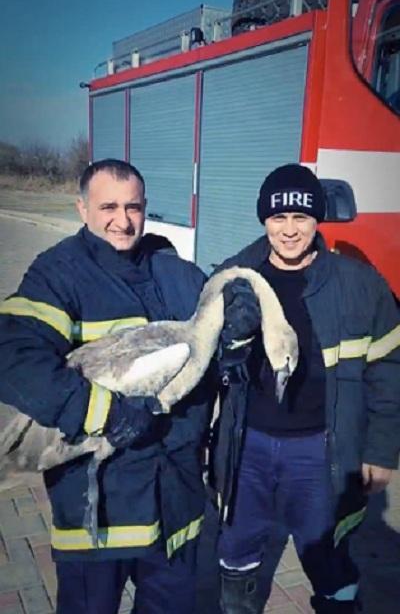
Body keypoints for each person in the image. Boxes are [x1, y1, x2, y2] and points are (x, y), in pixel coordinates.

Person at [0, 159, 217, 614]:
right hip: (99, 509)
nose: (123, 220)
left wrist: (234, 333)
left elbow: (212, 337)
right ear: (82, 208)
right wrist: (105, 412)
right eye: (109, 207)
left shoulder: (174, 271)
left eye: (133, 207)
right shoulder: (58, 273)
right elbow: (15, 356)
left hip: (175, 501)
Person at [211, 164, 400, 613]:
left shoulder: (361, 286)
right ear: (264, 219)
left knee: (329, 559)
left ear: (318, 219)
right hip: (249, 447)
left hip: (320, 451)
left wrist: (380, 450)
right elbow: (204, 372)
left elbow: (390, 371)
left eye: (301, 217)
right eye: (278, 218)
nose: (290, 230)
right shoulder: (233, 279)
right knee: (236, 552)